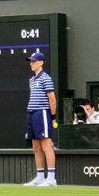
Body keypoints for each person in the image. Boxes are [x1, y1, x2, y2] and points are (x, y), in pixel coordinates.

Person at [22, 52, 57, 188]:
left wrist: (52, 116)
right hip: (31, 113)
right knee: (36, 147)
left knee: (46, 145)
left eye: (34, 61)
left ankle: (51, 178)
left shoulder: (46, 78)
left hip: (42, 113)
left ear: (41, 62)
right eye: (30, 61)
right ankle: (40, 177)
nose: (31, 63)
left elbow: (52, 99)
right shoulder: (31, 80)